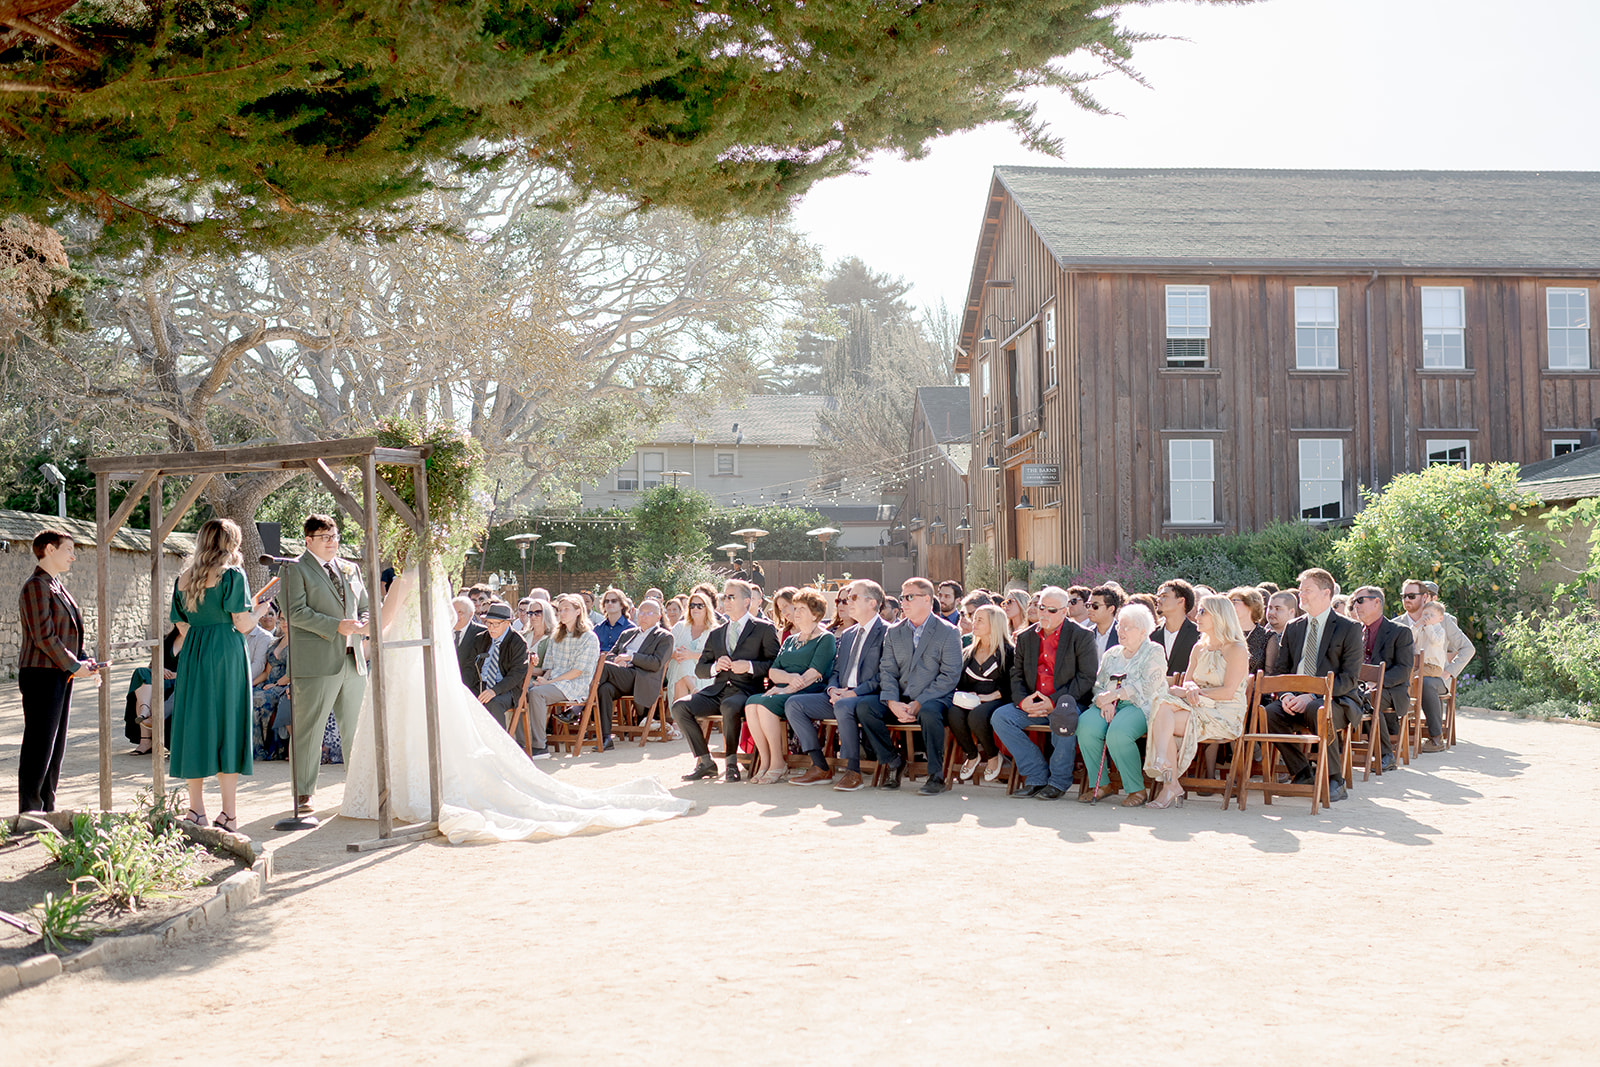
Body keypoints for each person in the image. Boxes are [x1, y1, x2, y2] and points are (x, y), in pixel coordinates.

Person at [339, 570, 692, 842]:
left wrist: (364, 630)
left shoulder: (403, 581)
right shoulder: (436, 578)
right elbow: (449, 620)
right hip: (427, 658)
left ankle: (531, 747)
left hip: (409, 657)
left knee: (408, 719)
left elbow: (384, 623)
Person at [169, 518, 271, 833]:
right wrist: (260, 612)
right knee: (228, 726)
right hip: (226, 655)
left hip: (195, 655)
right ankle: (228, 814)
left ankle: (196, 810)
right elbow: (242, 624)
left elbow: (182, 627)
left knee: (195, 726)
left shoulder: (183, 578)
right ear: (232, 543)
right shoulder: (232, 575)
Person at [281, 513, 370, 813]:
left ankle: (359, 787)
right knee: (309, 730)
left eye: (335, 536)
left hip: (354, 660)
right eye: (325, 537)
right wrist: (336, 626)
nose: (333, 542)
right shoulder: (294, 569)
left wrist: (366, 622)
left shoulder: (350, 567)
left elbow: (366, 605)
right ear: (308, 540)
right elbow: (295, 612)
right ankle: (303, 793)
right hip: (316, 662)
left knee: (356, 728)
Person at [17, 530, 102, 813]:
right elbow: (44, 636)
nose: (73, 556)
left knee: (54, 747)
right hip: (40, 674)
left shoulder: (56, 586)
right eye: (68, 550)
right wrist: (73, 665)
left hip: (58, 674)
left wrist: (85, 662)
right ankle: (30, 812)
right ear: (50, 549)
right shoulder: (36, 586)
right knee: (39, 746)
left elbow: (69, 634)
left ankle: (47, 809)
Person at [855, 578, 963, 795]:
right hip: (900, 697)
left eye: (909, 597)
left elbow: (949, 676)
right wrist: (892, 702)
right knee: (864, 707)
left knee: (930, 713)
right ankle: (893, 761)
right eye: (902, 596)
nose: (903, 601)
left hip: (933, 698)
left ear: (927, 599)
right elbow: (887, 671)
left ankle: (936, 776)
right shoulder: (894, 632)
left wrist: (919, 702)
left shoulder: (948, 632)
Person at [1265, 568, 1364, 803]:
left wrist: (1310, 696)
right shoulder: (1294, 627)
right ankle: (1302, 772)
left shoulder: (1348, 628)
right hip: (1295, 698)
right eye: (1300, 590)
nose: (1302, 595)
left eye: (1307, 590)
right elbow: (1281, 670)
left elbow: (1349, 678)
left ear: (1326, 592)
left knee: (1319, 709)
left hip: (1335, 700)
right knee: (1269, 713)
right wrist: (1286, 694)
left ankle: (1334, 779)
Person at [991, 585, 1099, 800]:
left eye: (1052, 610)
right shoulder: (1025, 637)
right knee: (1001, 717)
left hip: (1067, 702)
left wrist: (1053, 701)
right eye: (1041, 608)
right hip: (1033, 701)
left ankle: (1058, 782)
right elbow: (1017, 675)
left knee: (1063, 716)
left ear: (1064, 610)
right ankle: (1036, 775)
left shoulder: (1082, 636)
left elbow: (1086, 677)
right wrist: (1023, 702)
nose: (1045, 614)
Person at [1145, 594, 1251, 808]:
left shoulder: (1236, 649)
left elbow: (1228, 692)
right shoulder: (1199, 648)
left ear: (1219, 616)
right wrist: (1190, 687)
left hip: (1224, 712)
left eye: (1203, 611)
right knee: (1162, 706)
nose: (1197, 616)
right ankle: (1169, 778)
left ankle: (1168, 780)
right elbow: (1188, 683)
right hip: (1196, 706)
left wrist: (1195, 692)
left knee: (1163, 717)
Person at [673, 579, 780, 783]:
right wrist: (715, 666)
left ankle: (731, 764)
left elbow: (775, 665)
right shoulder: (717, 633)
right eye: (725, 597)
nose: (726, 601)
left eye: (732, 596)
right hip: (718, 689)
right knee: (680, 707)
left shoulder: (763, 629)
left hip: (746, 691)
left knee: (730, 706)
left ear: (747, 601)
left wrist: (749, 666)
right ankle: (705, 762)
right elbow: (701, 669)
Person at [786, 579, 888, 790]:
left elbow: (885, 677)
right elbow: (837, 671)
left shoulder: (888, 631)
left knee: (843, 705)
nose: (847, 602)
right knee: (794, 703)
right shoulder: (848, 634)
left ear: (872, 602)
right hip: (840, 695)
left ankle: (853, 771)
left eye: (853, 597)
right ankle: (819, 766)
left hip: (869, 698)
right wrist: (832, 689)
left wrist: (854, 693)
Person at [743, 588, 836, 783]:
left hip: (808, 691)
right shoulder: (791, 640)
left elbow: (814, 673)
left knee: (766, 704)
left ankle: (778, 761)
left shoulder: (825, 638)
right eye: (796, 608)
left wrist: (786, 688)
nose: (796, 612)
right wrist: (788, 677)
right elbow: (773, 671)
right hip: (784, 689)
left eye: (801, 608)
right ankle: (765, 761)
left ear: (815, 613)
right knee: (752, 703)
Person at [1076, 604, 1165, 806]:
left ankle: (1137, 789)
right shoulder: (1112, 654)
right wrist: (1103, 699)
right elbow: (1099, 683)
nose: (1120, 630)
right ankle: (1102, 785)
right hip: (1109, 704)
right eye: (1119, 626)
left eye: (1127, 627)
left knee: (1118, 732)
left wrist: (1115, 695)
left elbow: (1149, 685)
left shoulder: (1153, 651)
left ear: (1143, 631)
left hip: (1141, 705)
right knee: (1086, 726)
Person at [1394, 579, 1473, 752]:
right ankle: (1393, 737)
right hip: (1406, 676)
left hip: (1436, 678)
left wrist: (1449, 672)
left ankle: (1436, 738)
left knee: (1426, 682)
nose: (1406, 599)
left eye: (1411, 596)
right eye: (1404, 596)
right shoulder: (1397, 624)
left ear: (1424, 598)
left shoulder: (1443, 620)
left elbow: (1468, 648)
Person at [595, 598, 675, 749]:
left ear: (658, 617)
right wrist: (619, 661)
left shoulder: (664, 637)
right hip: (620, 675)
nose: (643, 616)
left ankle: (579, 706)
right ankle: (606, 738)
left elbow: (656, 663)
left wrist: (631, 657)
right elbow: (611, 655)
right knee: (604, 689)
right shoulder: (628, 633)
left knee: (603, 667)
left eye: (648, 613)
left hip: (642, 679)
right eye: (641, 613)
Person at [948, 603, 1014, 783]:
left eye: (980, 620)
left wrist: (989, 697)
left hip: (998, 698)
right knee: (953, 712)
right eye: (974, 618)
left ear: (994, 625)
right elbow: (959, 682)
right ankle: (972, 754)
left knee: (977, 716)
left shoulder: (1008, 652)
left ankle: (993, 756)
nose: (973, 623)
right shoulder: (968, 652)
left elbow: (1012, 685)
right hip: (971, 698)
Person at [1352, 585, 1411, 772]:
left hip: (1390, 689)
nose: (1356, 606)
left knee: (1368, 698)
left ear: (1377, 602)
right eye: (1354, 602)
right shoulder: (1353, 631)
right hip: (1356, 687)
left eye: (1360, 600)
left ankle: (1386, 755)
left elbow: (1403, 670)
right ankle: (1331, 753)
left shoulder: (1400, 632)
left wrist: (1376, 681)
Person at [463, 601, 529, 731]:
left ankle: (499, 745)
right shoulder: (480, 639)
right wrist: (463, 688)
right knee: (461, 699)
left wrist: (495, 690)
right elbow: (470, 667)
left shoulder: (517, 642)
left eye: (496, 624)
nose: (491, 628)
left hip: (505, 689)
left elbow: (517, 673)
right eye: (488, 623)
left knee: (493, 703)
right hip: (481, 684)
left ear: (507, 623)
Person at [126, 626, 179, 755]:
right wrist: (159, 669)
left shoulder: (196, 641)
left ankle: (147, 716)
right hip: (161, 679)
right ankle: (145, 715)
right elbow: (152, 664)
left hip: (182, 681)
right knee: (141, 673)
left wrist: (177, 674)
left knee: (148, 689)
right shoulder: (167, 640)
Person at [251, 606, 293, 761]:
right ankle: (250, 749)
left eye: (287, 618)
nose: (284, 622)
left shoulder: (298, 642)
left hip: (284, 686)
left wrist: (275, 684)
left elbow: (293, 672)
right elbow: (266, 672)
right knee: (248, 696)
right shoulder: (275, 642)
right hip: (268, 685)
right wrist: (249, 684)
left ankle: (263, 750)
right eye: (282, 619)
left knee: (257, 699)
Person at [668, 590, 717, 703]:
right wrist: (675, 654)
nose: (695, 608)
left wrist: (692, 655)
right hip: (677, 669)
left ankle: (679, 717)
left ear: (707, 608)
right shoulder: (679, 627)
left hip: (704, 672)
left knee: (686, 662)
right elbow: (667, 648)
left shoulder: (714, 630)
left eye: (700, 606)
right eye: (692, 605)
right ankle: (695, 691)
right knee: (683, 662)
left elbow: (716, 656)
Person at [1152, 579, 1201, 674]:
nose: (1158, 600)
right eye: (1158, 596)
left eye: (1164, 596)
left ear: (1181, 601)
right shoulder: (1152, 635)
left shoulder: (1198, 635)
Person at [1228, 586, 1271, 675]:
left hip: (1254, 687)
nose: (1230, 606)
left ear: (1251, 605)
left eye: (1235, 602)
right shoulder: (1224, 633)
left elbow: (1269, 673)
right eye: (1229, 602)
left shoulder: (1267, 636)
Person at [452, 594, 486, 689]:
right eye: (454, 612)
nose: (456, 616)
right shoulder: (442, 633)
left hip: (471, 687)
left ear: (471, 614)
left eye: (460, 612)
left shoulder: (483, 633)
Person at [1263, 589, 1300, 671]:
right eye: (1270, 608)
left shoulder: (1299, 635)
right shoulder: (1260, 633)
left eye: (1277, 609)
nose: (1271, 612)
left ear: (1291, 612)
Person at [1084, 584, 1123, 657]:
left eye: (1095, 606)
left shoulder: (1123, 635)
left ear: (1111, 609)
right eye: (1088, 605)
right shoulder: (1085, 635)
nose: (1090, 609)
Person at [593, 587, 632, 652]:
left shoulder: (630, 628)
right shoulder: (597, 628)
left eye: (614, 601)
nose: (609, 603)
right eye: (607, 601)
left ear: (622, 605)